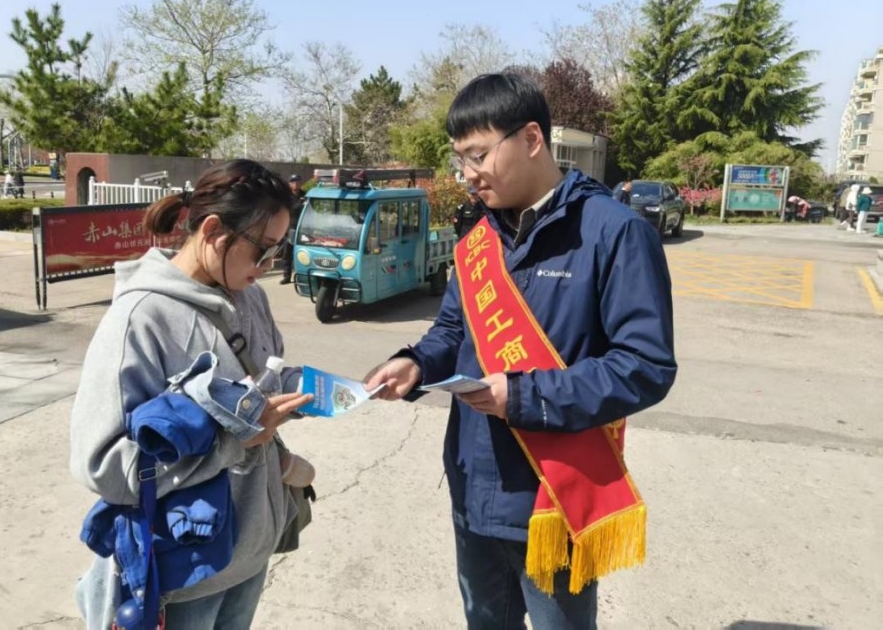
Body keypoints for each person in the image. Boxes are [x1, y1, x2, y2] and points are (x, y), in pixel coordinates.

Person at [364, 73, 677, 630]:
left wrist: (525, 395)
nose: (467, 173)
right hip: (473, 484)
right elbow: (452, 331)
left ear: (531, 138)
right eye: (459, 158)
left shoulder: (614, 233)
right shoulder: (476, 242)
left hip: (553, 495)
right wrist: (415, 362)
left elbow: (644, 366)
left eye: (478, 154)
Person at [70, 159, 315, 630]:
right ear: (213, 231)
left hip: (251, 554)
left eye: (279, 250)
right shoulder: (141, 319)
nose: (268, 266)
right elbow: (102, 465)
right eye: (262, 250)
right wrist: (236, 440)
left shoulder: (251, 296)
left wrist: (311, 389)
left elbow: (262, 381)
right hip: (185, 574)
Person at [280, 174, 305, 284]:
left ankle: (301, 276)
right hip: (289, 228)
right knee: (287, 253)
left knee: (302, 253)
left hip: (303, 228)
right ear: (289, 184)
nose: (296, 184)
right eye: (293, 182)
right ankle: (286, 276)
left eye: (298, 182)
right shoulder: (286, 197)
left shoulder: (305, 195)